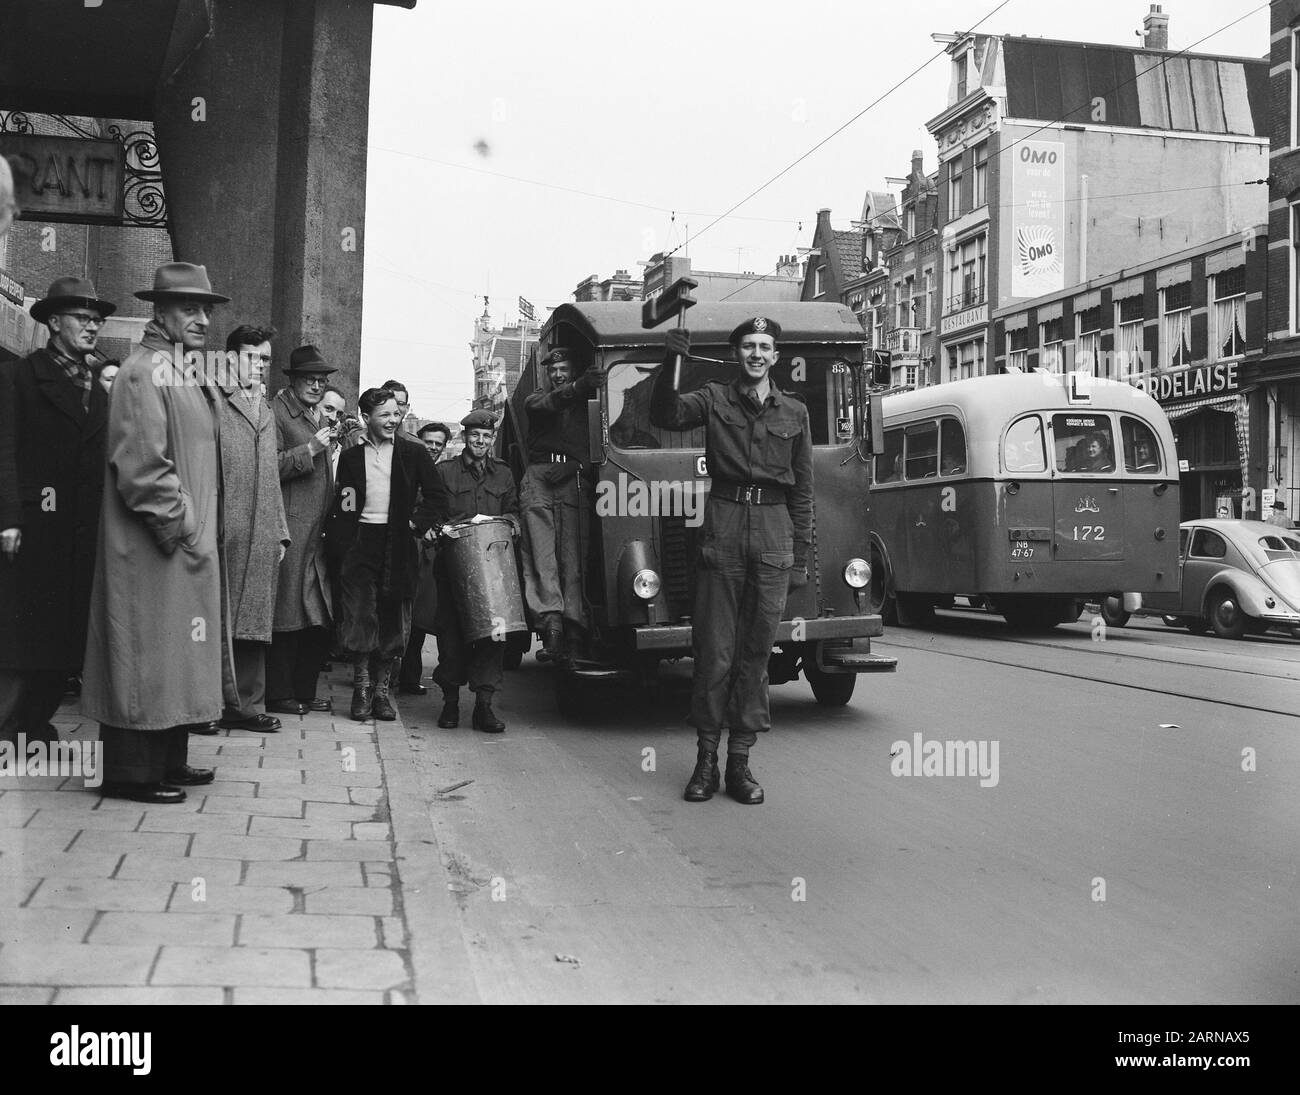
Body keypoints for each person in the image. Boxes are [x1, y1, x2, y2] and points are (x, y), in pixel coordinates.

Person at [80, 262, 231, 803]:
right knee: (145, 654)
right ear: (160, 313)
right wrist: (183, 525)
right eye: (190, 309)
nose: (202, 320)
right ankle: (130, 774)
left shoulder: (177, 368)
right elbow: (141, 464)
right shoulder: (145, 371)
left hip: (177, 546)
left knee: (171, 657)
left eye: (206, 310)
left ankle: (166, 760)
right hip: (153, 545)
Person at [650, 316, 812, 805]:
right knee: (715, 652)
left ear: (776, 356)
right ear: (737, 353)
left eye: (764, 346)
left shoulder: (796, 412)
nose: (756, 354)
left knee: (755, 655)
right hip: (721, 528)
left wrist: (800, 555)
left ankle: (740, 763)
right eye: (748, 346)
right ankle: (706, 763)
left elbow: (802, 489)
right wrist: (671, 362)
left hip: (774, 532)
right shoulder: (715, 398)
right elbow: (667, 414)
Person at [0, 277, 115, 746]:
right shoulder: (18, 377)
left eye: (97, 321)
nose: (93, 327)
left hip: (82, 529)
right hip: (32, 527)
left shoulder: (101, 386)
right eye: (83, 319)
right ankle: (8, 724)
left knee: (66, 635)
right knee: (21, 632)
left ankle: (34, 725)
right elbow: (3, 449)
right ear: (53, 322)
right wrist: (8, 517)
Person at [325, 389, 443, 721]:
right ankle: (361, 690)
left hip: (400, 545)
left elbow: (436, 497)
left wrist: (415, 524)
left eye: (396, 414)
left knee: (393, 619)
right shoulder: (351, 458)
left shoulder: (412, 453)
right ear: (366, 418)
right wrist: (344, 545)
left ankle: (381, 693)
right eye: (385, 415)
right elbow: (344, 504)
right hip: (361, 545)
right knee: (361, 616)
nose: (393, 420)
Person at [214, 325, 290, 733]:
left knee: (254, 622)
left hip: (260, 530)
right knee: (215, 619)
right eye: (251, 357)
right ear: (229, 358)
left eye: (264, 359)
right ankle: (209, 705)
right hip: (225, 528)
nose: (259, 366)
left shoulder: (265, 407)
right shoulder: (213, 400)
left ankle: (247, 705)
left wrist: (279, 530)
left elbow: (273, 476)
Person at [431, 410, 520, 733]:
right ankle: (450, 703)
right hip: (454, 569)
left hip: (494, 572)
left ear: (492, 439)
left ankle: (484, 707)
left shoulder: (504, 475)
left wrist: (510, 522)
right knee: (451, 636)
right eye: (474, 436)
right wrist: (440, 528)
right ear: (464, 438)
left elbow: (514, 511)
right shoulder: (444, 472)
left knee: (492, 637)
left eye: (486, 437)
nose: (480, 442)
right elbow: (430, 512)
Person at [268, 345, 337, 716]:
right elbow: (267, 467)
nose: (316, 384)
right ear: (292, 380)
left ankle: (302, 692)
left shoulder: (311, 414)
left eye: (321, 380)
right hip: (292, 530)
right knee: (287, 615)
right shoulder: (277, 412)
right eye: (309, 379)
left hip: (315, 532)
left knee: (313, 615)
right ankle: (280, 694)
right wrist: (308, 450)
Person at [520, 347, 599, 661]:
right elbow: (546, 404)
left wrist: (578, 467)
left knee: (573, 559)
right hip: (539, 477)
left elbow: (606, 448)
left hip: (573, 479)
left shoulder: (591, 405)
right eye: (553, 370)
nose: (557, 374)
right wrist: (579, 386)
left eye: (564, 368)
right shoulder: (538, 398)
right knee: (542, 559)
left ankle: (575, 629)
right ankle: (551, 628)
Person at [398, 421, 452, 695]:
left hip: (429, 554)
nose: (432, 448)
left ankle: (409, 676)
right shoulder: (406, 466)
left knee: (422, 619)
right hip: (404, 547)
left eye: (438, 444)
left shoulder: (442, 472)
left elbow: (443, 506)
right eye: (428, 442)